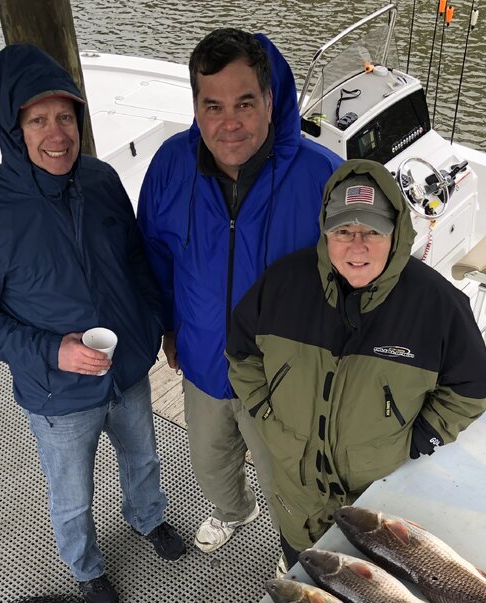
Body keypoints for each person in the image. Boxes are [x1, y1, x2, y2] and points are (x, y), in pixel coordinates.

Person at [0, 44, 184, 603]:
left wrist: (155, 323)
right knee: (72, 494)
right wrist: (52, 351)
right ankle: (86, 567)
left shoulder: (100, 178)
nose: (57, 134)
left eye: (66, 117)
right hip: (57, 391)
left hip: (127, 367)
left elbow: (136, 260)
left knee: (144, 459)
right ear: (12, 127)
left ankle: (148, 519)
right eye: (38, 120)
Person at [227, 160, 486, 566]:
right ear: (325, 232)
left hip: (377, 498)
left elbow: (471, 388)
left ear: (396, 231)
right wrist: (265, 412)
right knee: (301, 569)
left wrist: (418, 439)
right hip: (295, 493)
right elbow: (241, 352)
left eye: (373, 231)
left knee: (368, 579)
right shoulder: (281, 283)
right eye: (343, 231)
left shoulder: (438, 305)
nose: (357, 247)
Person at [137, 28, 340, 554]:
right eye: (214, 106)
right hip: (202, 364)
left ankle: (293, 550)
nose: (229, 123)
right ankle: (234, 511)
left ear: (270, 101)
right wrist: (168, 328)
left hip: (284, 383)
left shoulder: (324, 176)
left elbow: (363, 281)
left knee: (288, 484)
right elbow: (155, 257)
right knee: (209, 465)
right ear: (196, 108)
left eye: (245, 103)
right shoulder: (170, 165)